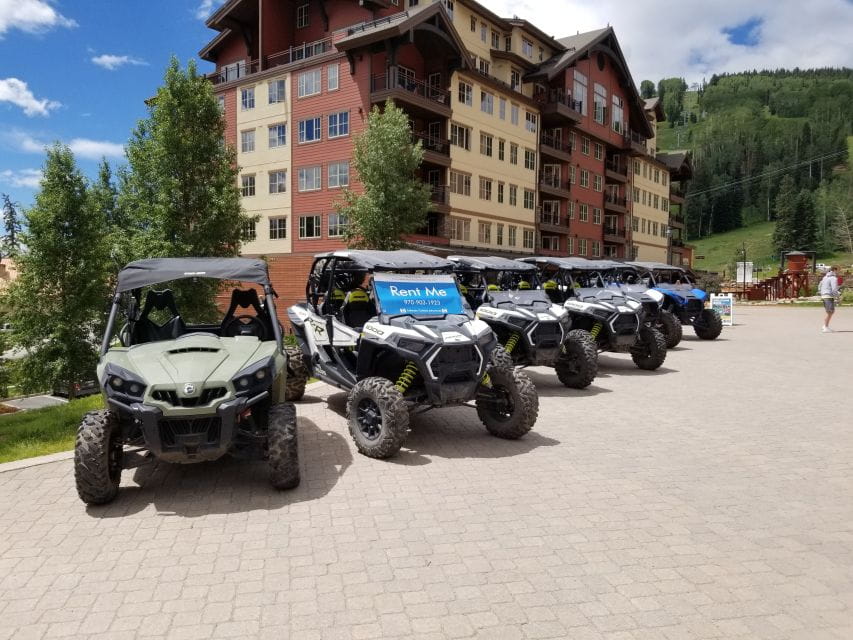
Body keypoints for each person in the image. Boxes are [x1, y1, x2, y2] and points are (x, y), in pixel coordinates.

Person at [819, 265, 840, 332]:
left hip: (824, 295)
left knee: (829, 312)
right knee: (831, 312)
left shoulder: (825, 277)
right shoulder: (833, 278)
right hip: (828, 296)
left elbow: (819, 286)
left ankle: (825, 326)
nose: (839, 272)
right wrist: (837, 297)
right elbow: (834, 289)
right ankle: (825, 326)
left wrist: (822, 292)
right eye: (838, 270)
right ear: (834, 270)